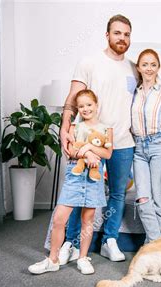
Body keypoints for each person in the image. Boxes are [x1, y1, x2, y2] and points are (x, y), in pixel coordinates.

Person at [58, 15, 137, 262]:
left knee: (117, 194)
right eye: (117, 33)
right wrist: (65, 127)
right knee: (80, 193)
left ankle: (109, 240)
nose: (122, 38)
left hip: (123, 141)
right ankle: (70, 243)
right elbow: (72, 98)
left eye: (126, 34)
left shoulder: (134, 67)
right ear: (107, 35)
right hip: (89, 143)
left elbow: (155, 96)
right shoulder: (89, 62)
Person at [29, 90, 112, 275]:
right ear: (77, 109)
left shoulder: (106, 128)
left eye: (89, 105)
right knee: (59, 219)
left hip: (93, 178)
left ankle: (82, 257)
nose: (85, 109)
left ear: (96, 105)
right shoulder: (74, 127)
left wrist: (90, 147)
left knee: (87, 219)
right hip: (75, 177)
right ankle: (53, 259)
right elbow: (70, 151)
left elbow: (107, 153)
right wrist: (88, 153)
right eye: (81, 106)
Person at [131, 49, 161, 244]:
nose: (149, 68)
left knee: (157, 201)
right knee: (143, 200)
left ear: (158, 67)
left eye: (153, 64)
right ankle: (158, 246)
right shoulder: (132, 93)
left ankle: (150, 247)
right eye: (145, 64)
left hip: (160, 145)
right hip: (138, 148)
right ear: (138, 67)